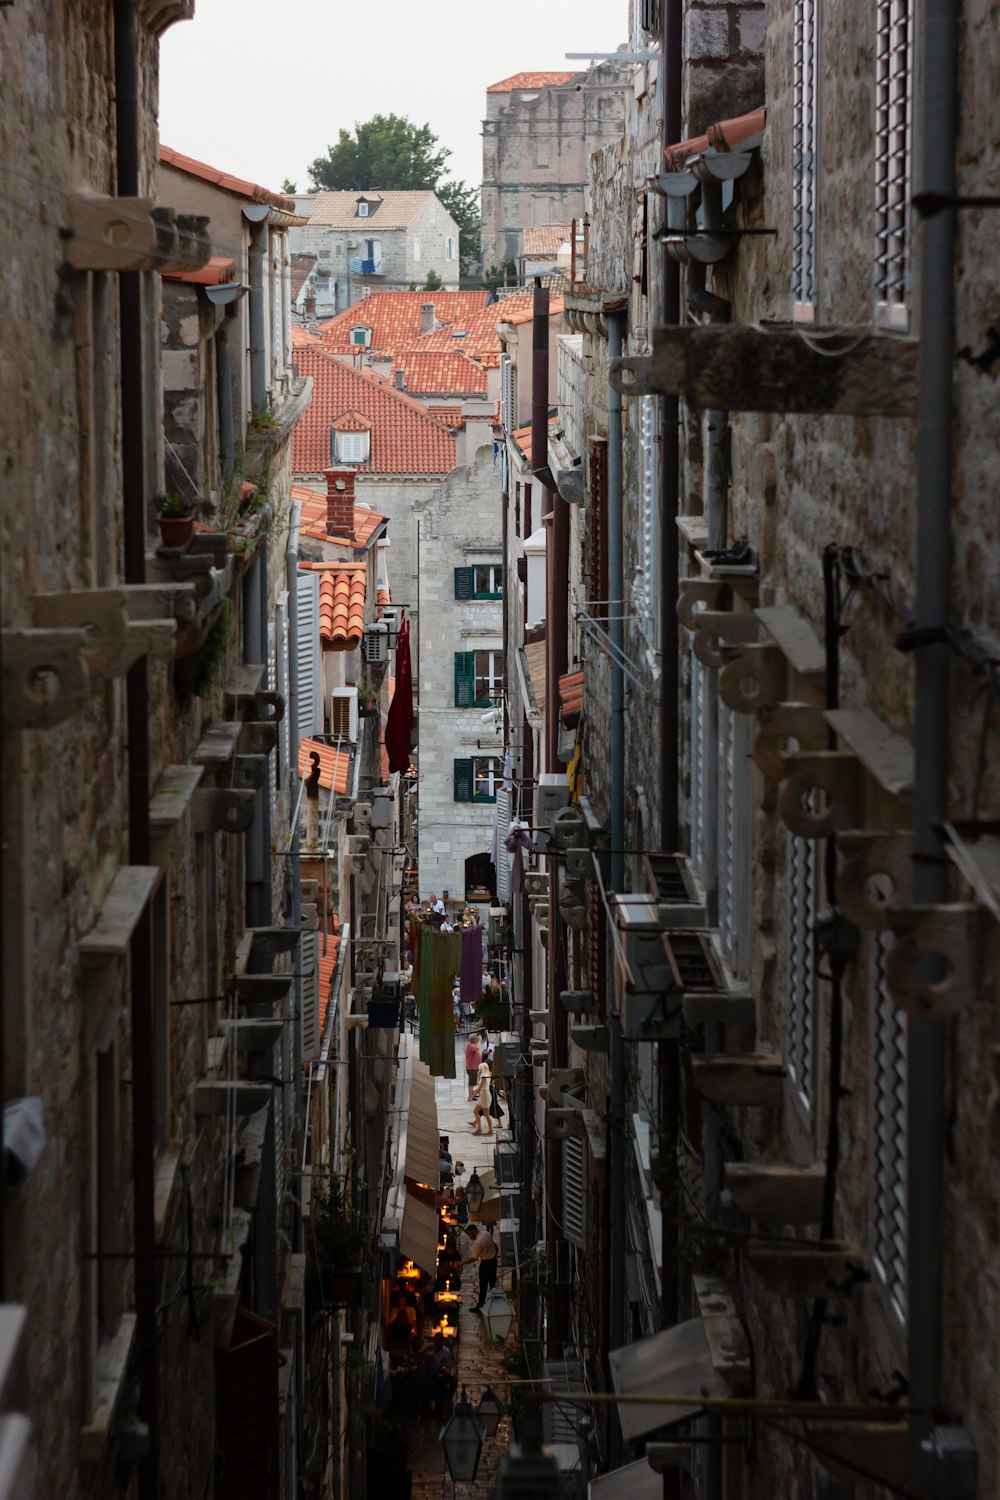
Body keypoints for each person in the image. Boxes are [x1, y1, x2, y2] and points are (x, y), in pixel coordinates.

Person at [461, 1221, 499, 1310]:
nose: (470, 1236)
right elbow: (494, 1245)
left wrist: (461, 1263)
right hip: (493, 1261)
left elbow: (473, 1258)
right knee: (492, 1284)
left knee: (483, 1285)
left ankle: (480, 1305)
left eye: (469, 1234)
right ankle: (495, 1304)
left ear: (472, 1231)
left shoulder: (478, 1242)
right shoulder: (486, 1234)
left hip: (485, 1264)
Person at [468, 1062, 494, 1136]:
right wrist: (478, 1075)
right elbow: (478, 1084)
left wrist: (472, 1096)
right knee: (476, 1111)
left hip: (485, 1095)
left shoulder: (484, 1076)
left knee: (486, 1114)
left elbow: (479, 1088)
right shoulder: (487, 1074)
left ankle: (491, 1130)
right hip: (483, 1094)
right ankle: (479, 1128)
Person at [464, 1033, 482, 1101]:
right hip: (472, 1068)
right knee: (471, 1082)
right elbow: (477, 1047)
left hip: (474, 1067)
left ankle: (472, 1094)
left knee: (474, 1081)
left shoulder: (472, 1044)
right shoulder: (470, 1046)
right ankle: (470, 1096)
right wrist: (480, 1040)